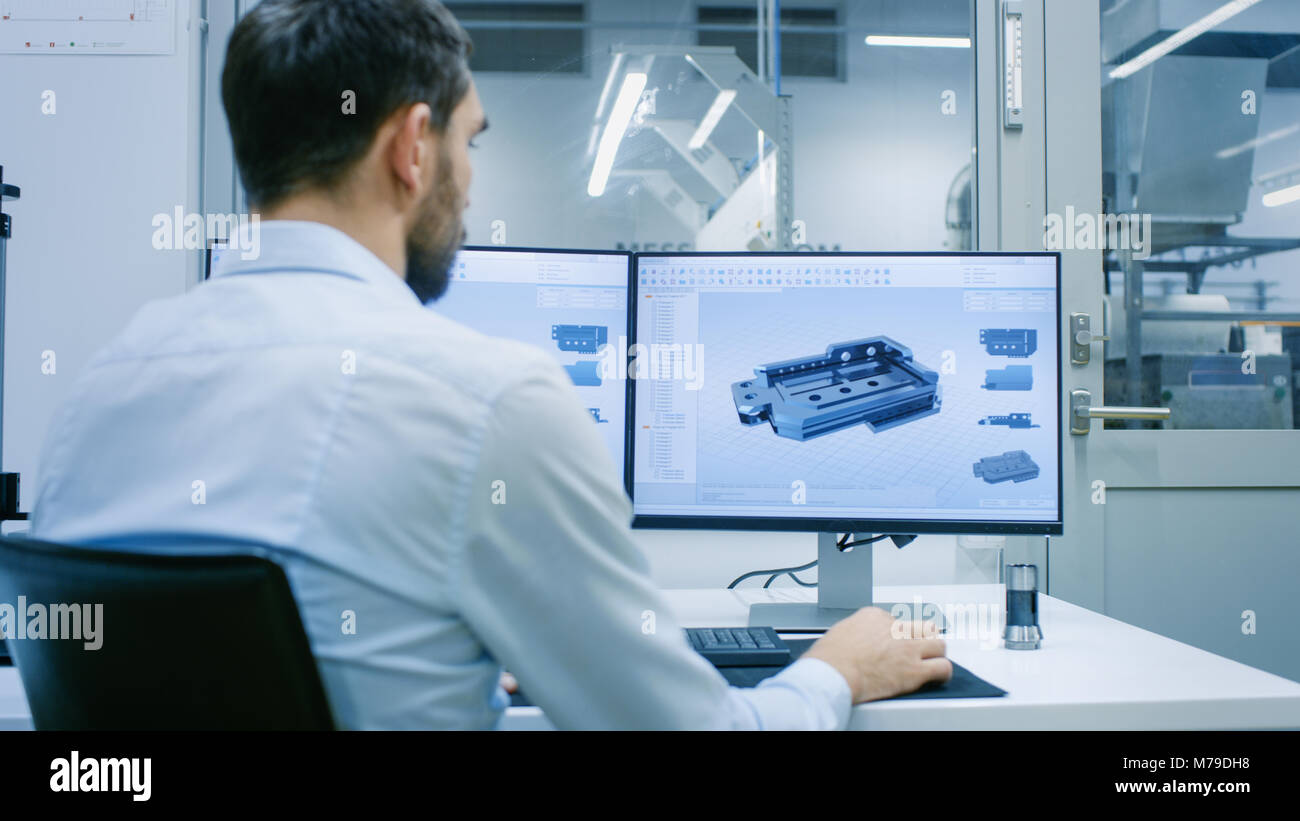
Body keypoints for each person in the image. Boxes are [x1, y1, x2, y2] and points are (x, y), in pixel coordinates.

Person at [30, 0, 950, 729]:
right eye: (469, 143)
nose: (468, 187)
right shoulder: (485, 402)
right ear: (411, 145)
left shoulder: (97, 393)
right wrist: (836, 669)